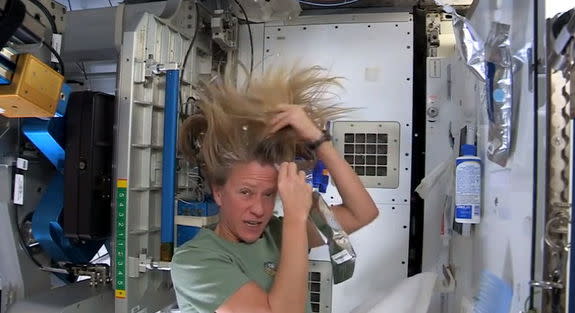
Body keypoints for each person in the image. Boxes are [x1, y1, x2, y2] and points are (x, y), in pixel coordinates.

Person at [171, 66, 379, 313]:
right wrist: (295, 217)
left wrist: (316, 138)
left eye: (269, 193)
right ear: (218, 193)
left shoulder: (277, 233)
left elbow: (362, 212)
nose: (259, 209)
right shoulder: (195, 261)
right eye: (245, 192)